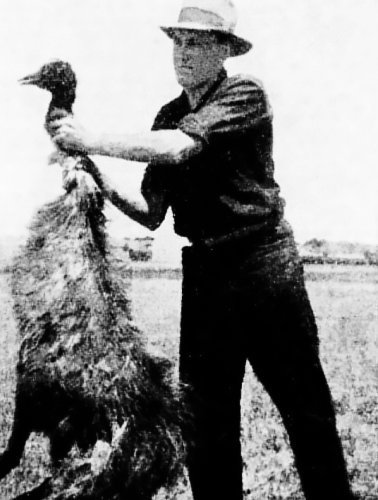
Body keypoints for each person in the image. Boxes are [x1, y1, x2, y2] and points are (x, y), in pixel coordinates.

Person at [47, 2, 354, 499]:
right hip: (208, 277)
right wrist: (95, 173)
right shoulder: (169, 115)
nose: (183, 53)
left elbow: (181, 148)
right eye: (178, 42)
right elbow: (150, 210)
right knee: (205, 422)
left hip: (264, 267)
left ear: (225, 51)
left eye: (197, 43)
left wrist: (95, 139)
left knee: (305, 410)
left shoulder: (244, 93)